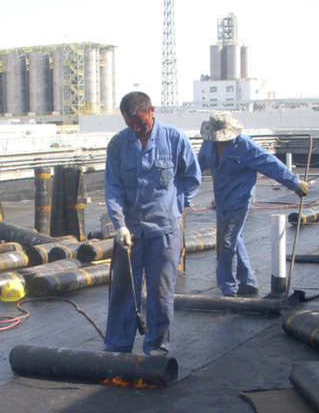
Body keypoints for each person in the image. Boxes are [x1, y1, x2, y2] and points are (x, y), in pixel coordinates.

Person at [104, 92, 201, 355]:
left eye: (142, 123)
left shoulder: (175, 138)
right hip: (131, 232)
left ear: (152, 111)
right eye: (130, 124)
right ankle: (117, 347)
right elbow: (113, 188)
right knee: (124, 291)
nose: (136, 129)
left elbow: (192, 178)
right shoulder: (118, 144)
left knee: (160, 292)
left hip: (165, 232)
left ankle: (157, 347)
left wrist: (176, 207)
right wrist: (119, 224)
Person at [197, 111, 308, 297]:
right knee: (233, 238)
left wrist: (294, 183)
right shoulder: (209, 142)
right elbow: (197, 165)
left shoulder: (244, 146)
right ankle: (248, 282)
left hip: (238, 200)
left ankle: (228, 288)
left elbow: (270, 163)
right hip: (221, 198)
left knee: (226, 241)